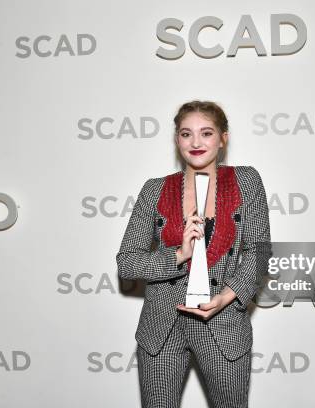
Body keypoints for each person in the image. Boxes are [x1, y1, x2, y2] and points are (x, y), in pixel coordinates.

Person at [116, 100, 272, 408]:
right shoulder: (154, 189)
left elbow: (259, 252)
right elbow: (127, 262)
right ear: (177, 140)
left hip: (223, 323)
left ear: (223, 138)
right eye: (186, 134)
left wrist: (225, 298)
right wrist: (178, 255)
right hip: (162, 327)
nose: (196, 142)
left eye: (207, 133)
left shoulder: (246, 181)